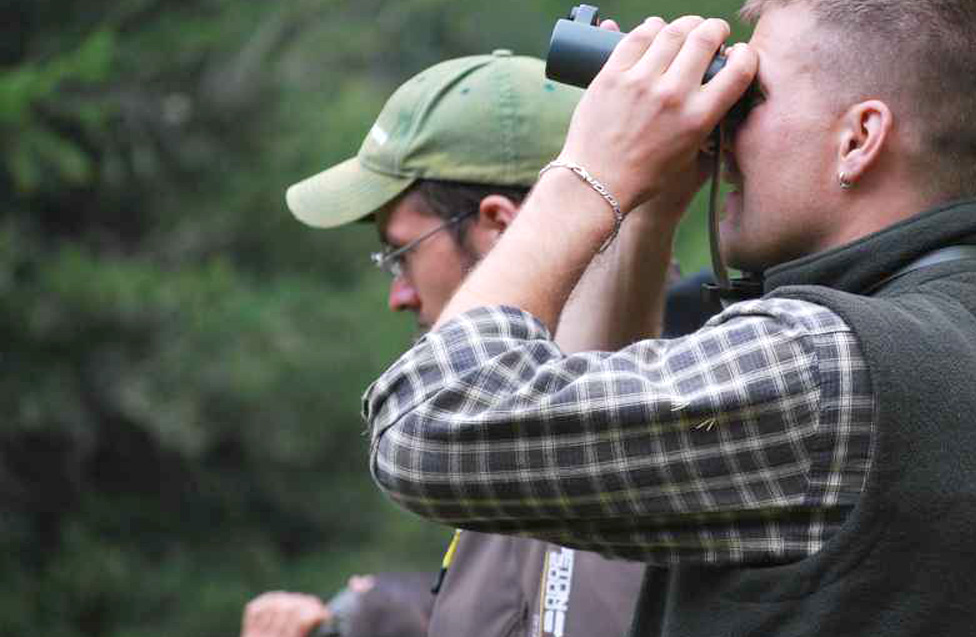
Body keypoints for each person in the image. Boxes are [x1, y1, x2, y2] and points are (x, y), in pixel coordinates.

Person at [360, 0, 976, 637]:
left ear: (860, 138)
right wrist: (649, 204)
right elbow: (570, 449)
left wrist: (588, 168)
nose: (721, 123)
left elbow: (429, 425)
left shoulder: (824, 367)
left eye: (749, 95)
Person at [246, 49, 711, 637]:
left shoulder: (682, 431)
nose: (400, 295)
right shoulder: (512, 436)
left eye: (401, 254)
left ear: (503, 227)